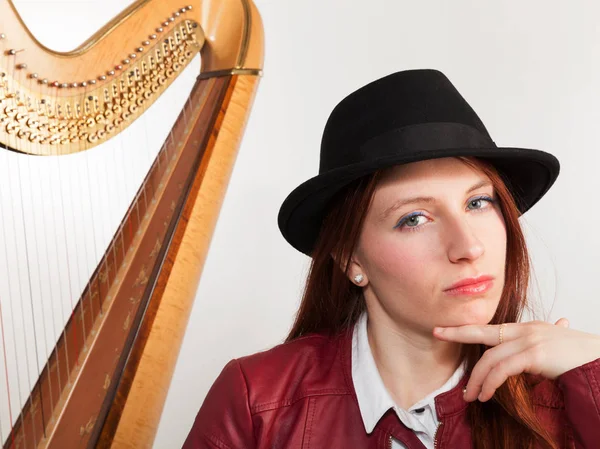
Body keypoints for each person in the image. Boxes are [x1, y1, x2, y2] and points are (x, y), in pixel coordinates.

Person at [182, 69, 600, 449]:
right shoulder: (257, 402)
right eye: (414, 218)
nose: (469, 247)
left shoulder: (565, 396)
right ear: (350, 260)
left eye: (477, 202)